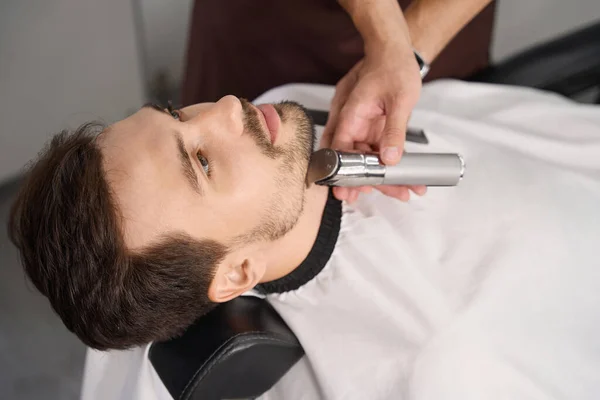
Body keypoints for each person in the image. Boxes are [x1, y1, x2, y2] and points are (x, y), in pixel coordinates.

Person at [9, 79, 600, 399]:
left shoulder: (276, 123)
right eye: (203, 164)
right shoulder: (444, 358)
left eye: (175, 113)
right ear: (238, 273)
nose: (225, 107)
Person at [181, 0, 495, 204]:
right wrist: (391, 41)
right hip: (264, 29)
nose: (230, 109)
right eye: (169, 113)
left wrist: (404, 50)